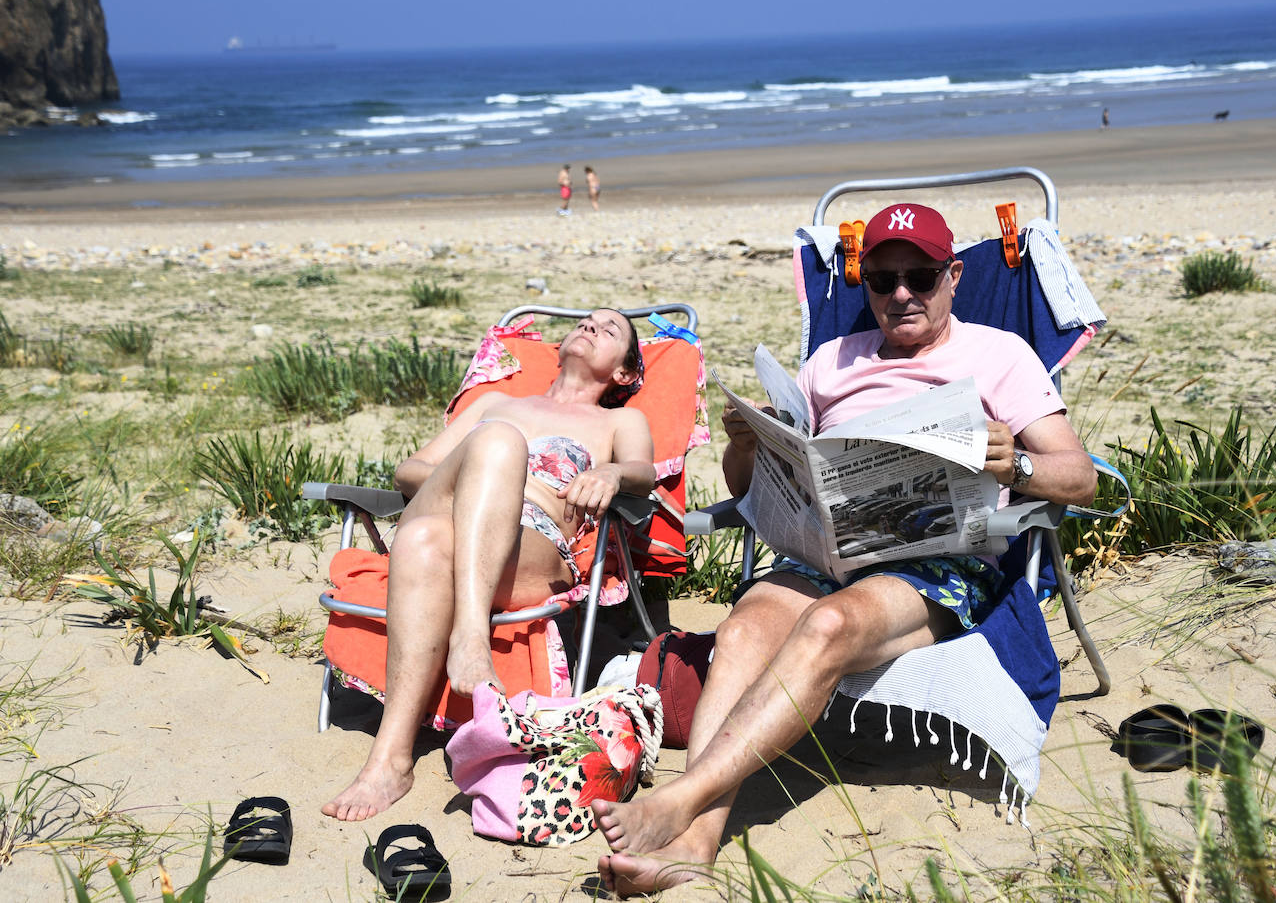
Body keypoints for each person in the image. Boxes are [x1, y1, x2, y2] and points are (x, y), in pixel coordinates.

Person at [592, 204, 1097, 894]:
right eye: (883, 280)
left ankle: (678, 802)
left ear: (953, 276)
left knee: (827, 626)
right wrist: (749, 448)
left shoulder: (999, 353)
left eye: (919, 276)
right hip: (822, 553)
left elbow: (1083, 478)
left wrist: (1017, 467)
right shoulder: (832, 361)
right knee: (740, 633)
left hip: (934, 563)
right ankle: (696, 843)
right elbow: (748, 493)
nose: (900, 295)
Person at [323, 309, 655, 822]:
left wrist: (612, 471)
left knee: (426, 538)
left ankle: (390, 760)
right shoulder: (497, 403)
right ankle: (459, 656)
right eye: (586, 321)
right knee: (496, 444)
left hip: (530, 544)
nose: (590, 327)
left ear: (625, 374)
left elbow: (644, 473)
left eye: (609, 330)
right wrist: (482, 469)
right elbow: (412, 468)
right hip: (452, 512)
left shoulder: (618, 420)